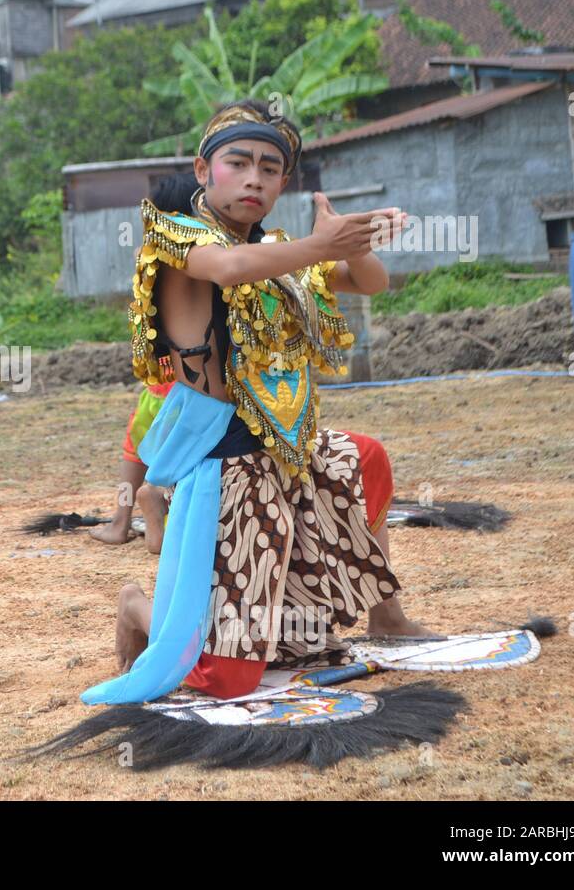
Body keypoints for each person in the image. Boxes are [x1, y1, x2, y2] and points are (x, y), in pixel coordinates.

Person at [90, 99, 437, 707]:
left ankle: (388, 616)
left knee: (364, 458)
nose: (255, 178)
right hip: (229, 467)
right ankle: (138, 610)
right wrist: (316, 245)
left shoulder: (282, 252)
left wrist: (350, 241)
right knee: (227, 680)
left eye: (271, 168)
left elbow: (372, 282)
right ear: (204, 170)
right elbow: (230, 268)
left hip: (291, 454)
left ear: (282, 183)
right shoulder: (177, 241)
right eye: (239, 162)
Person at [90, 173, 198, 550]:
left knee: (133, 449)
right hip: (193, 382)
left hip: (157, 381)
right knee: (188, 453)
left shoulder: (147, 260)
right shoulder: (202, 259)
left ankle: (120, 522)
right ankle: (157, 499)